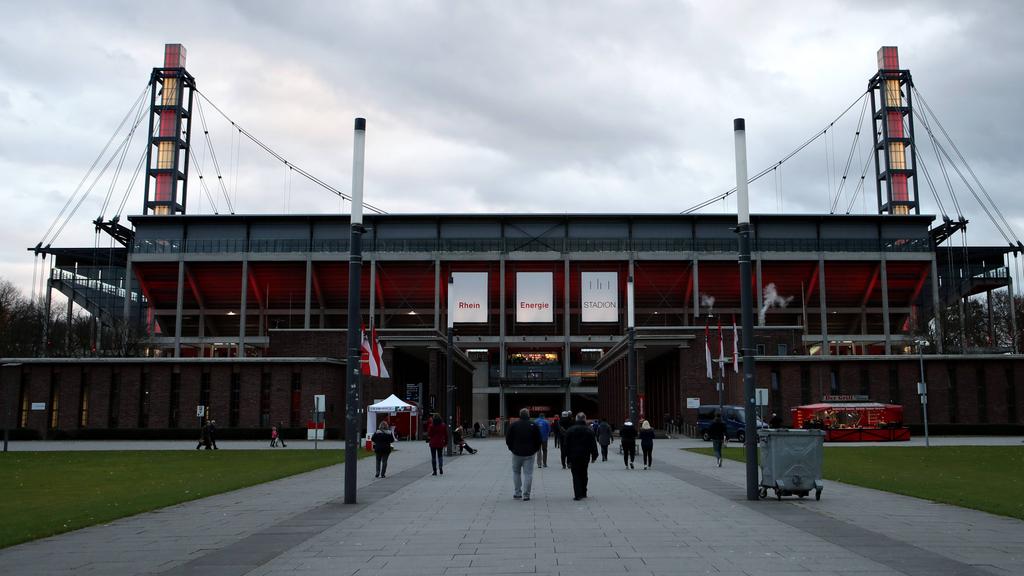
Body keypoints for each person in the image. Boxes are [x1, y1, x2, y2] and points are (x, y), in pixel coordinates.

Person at [505, 408, 542, 500]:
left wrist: (511, 448)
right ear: (528, 415)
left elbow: (508, 438)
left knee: (516, 472)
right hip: (530, 453)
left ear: (520, 415)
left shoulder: (514, 425)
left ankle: (517, 493)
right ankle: (526, 495)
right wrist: (535, 449)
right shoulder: (534, 425)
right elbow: (539, 439)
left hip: (516, 453)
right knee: (528, 474)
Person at [562, 412, 598, 500]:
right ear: (585, 419)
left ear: (576, 419)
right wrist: (594, 456)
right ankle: (584, 492)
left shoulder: (570, 430)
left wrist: (565, 457)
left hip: (573, 455)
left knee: (575, 474)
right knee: (584, 473)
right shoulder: (589, 430)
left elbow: (566, 445)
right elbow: (593, 444)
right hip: (585, 455)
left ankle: (578, 494)